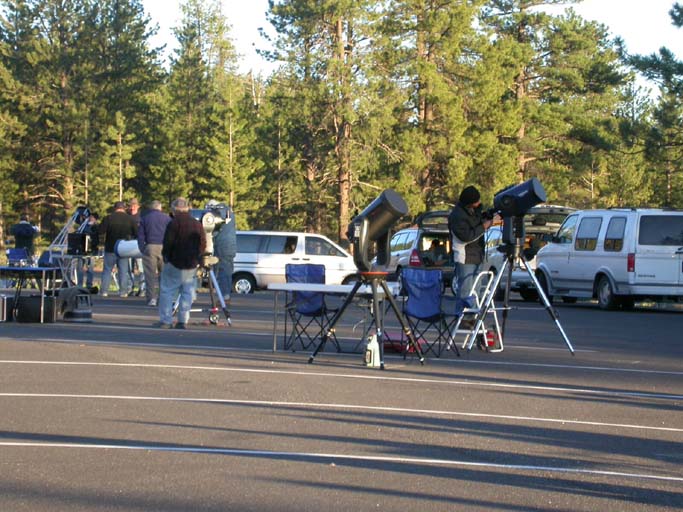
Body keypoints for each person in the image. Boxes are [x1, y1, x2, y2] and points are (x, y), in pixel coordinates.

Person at [157, 197, 207, 329]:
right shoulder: (197, 224)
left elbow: (168, 243)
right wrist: (198, 258)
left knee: (167, 291)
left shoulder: (173, 224)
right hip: (191, 263)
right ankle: (182, 321)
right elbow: (203, 243)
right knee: (187, 292)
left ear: (174, 210)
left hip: (174, 262)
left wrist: (166, 256)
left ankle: (166, 320)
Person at [448, 185, 494, 305]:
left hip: (477, 255)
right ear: (469, 203)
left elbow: (476, 222)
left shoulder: (473, 211)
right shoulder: (457, 216)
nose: (479, 202)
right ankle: (463, 318)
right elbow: (466, 236)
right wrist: (484, 226)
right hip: (465, 257)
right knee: (465, 290)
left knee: (475, 290)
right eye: (476, 201)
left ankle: (473, 316)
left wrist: (487, 216)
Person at [99, 201, 138, 297]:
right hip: (123, 248)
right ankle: (123, 292)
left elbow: (100, 231)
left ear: (114, 208)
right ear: (124, 208)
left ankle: (104, 291)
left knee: (107, 270)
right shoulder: (130, 219)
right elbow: (136, 233)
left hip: (110, 247)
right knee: (123, 271)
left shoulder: (108, 218)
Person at [138, 200, 171, 307]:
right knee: (164, 274)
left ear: (151, 208)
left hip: (150, 246)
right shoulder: (167, 218)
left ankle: (152, 298)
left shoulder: (145, 218)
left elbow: (140, 236)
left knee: (150, 275)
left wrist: (142, 248)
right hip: (164, 247)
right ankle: (163, 297)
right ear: (160, 208)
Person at [207, 201, 236, 303]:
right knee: (228, 271)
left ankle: (224, 296)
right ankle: (226, 294)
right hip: (231, 246)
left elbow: (214, 231)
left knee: (222, 272)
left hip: (222, 247)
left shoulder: (218, 214)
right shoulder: (230, 213)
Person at [76, 213, 100, 290]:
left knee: (90, 268)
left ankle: (89, 284)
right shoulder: (83, 226)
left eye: (92, 217)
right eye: (90, 217)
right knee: (80, 268)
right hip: (82, 250)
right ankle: (79, 284)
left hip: (91, 250)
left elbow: (96, 238)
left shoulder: (96, 227)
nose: (90, 219)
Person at [127, 198, 144, 294]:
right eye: (131, 205)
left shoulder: (141, 217)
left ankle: (142, 287)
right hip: (128, 244)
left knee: (141, 268)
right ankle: (130, 287)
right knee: (129, 268)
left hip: (138, 245)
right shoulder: (127, 216)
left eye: (134, 205)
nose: (132, 207)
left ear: (138, 206)